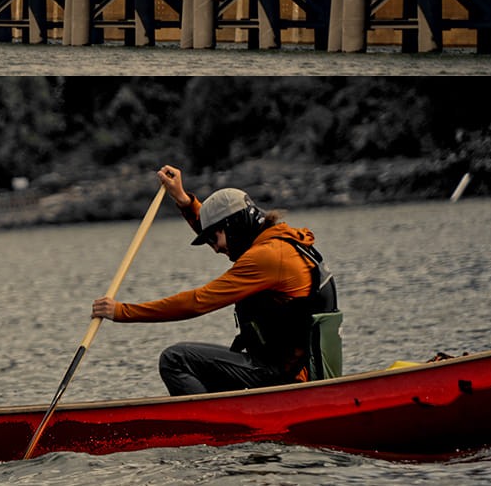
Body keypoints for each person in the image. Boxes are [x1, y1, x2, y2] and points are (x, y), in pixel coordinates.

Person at [92, 164, 339, 396]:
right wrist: (185, 201)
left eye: (214, 239)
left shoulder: (266, 258)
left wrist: (122, 311)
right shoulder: (278, 243)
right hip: (290, 371)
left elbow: (197, 302)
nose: (215, 249)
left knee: (175, 359)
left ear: (234, 227)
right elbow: (216, 226)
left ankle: (214, 428)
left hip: (284, 379)